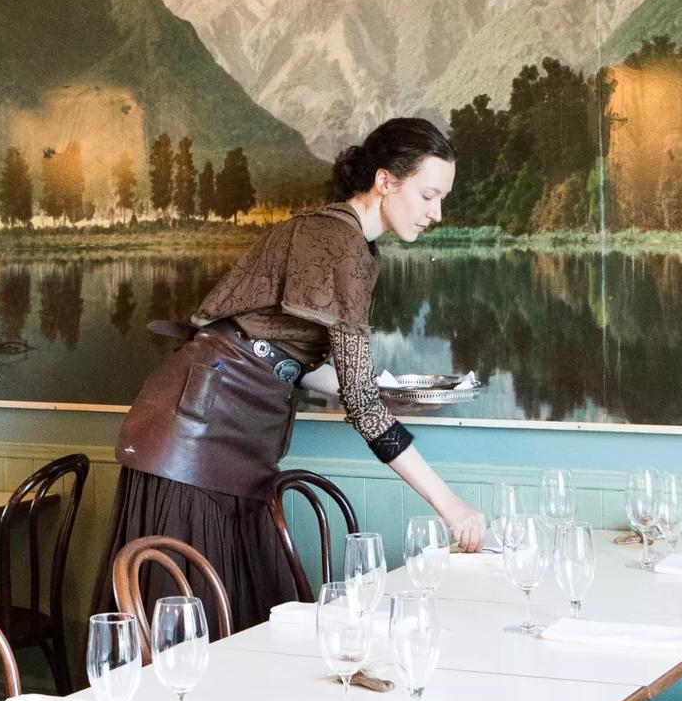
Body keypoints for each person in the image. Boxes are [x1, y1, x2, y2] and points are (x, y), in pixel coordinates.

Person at [92, 116, 487, 632]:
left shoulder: (356, 244)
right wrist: (451, 505)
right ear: (386, 180)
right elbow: (357, 403)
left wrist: (382, 390)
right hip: (195, 433)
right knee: (189, 626)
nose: (437, 213)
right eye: (429, 195)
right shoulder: (337, 241)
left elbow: (291, 361)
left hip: (235, 427)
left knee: (237, 620)